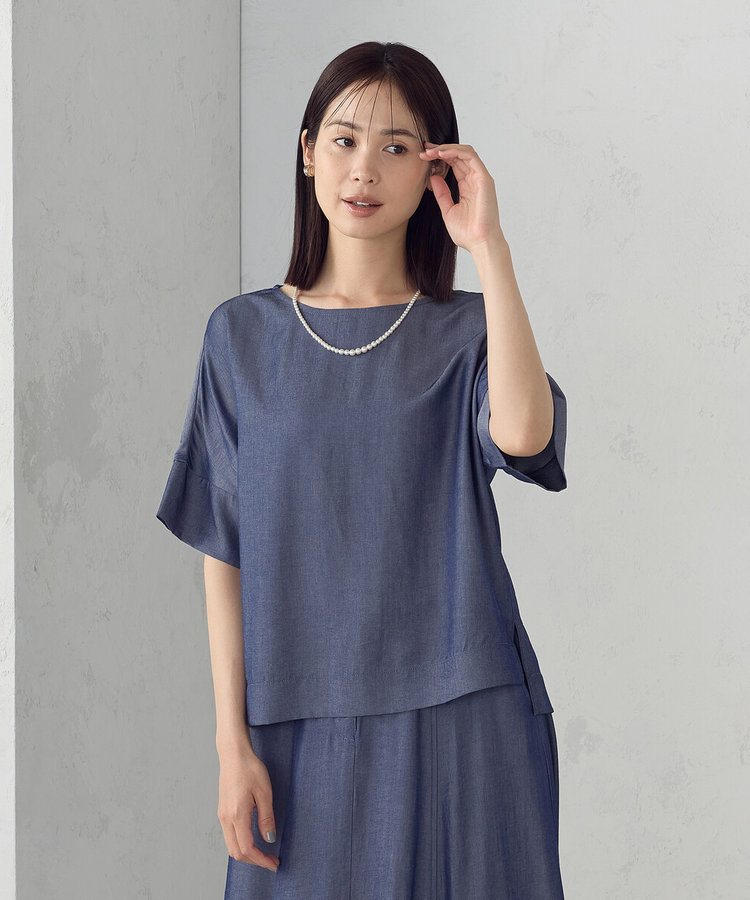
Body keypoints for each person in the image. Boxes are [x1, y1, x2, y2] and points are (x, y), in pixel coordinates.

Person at [156, 40, 568, 899]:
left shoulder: (467, 332)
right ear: (308, 152)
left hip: (463, 710)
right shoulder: (240, 338)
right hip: (294, 725)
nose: (365, 169)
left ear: (433, 170)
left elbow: (526, 435)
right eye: (344, 140)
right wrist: (231, 744)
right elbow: (224, 551)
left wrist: (489, 248)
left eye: (397, 146)